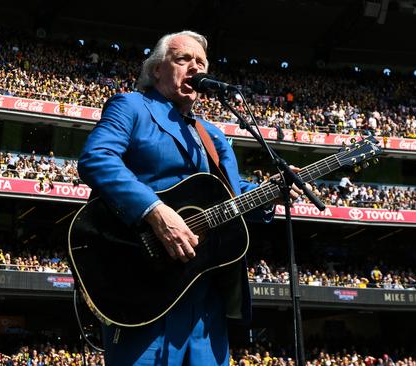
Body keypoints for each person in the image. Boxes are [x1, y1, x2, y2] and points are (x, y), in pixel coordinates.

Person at [78, 30, 303, 366]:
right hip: (144, 284)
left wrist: (270, 194)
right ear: (156, 70)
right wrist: (154, 211)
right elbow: (97, 158)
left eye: (201, 62)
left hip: (206, 296)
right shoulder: (131, 106)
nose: (195, 68)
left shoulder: (212, 134)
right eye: (183, 59)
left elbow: (232, 195)